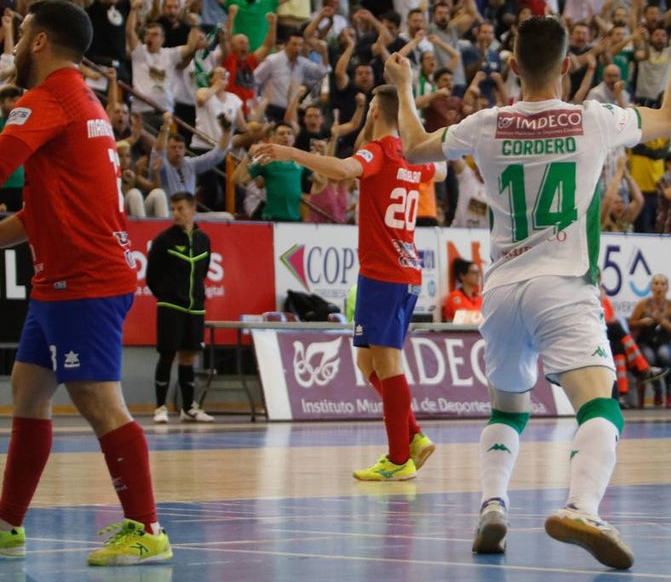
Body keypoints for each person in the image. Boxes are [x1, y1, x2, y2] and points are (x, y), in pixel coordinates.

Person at [390, 0, 671, 569]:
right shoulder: (594, 118)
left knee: (508, 408)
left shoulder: (488, 123)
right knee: (599, 404)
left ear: (513, 64)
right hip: (563, 283)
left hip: (502, 289)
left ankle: (492, 505)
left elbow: (413, 146)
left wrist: (406, 85)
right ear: (565, 67)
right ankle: (582, 506)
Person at [0, 0, 170, 564]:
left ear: (41, 42)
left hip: (85, 280)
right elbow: (38, 215)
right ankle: (7, 524)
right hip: (63, 281)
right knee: (29, 391)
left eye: (21, 36)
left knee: (98, 401)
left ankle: (147, 530)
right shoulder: (83, 101)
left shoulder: (46, 101)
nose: (16, 48)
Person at [252, 84, 443, 480]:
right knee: (367, 361)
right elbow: (440, 168)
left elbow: (341, 170)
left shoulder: (380, 152)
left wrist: (290, 153)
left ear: (374, 112)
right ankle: (414, 437)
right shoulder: (411, 155)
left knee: (387, 362)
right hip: (403, 268)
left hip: (385, 271)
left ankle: (397, 459)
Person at [145, 191, 215, 424]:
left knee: (188, 357)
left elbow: (203, 273)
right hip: (170, 306)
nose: (176, 213)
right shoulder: (163, 240)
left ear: (193, 209)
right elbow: (152, 277)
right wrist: (168, 295)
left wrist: (194, 296)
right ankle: (160, 407)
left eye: (181, 208)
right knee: (167, 355)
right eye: (173, 209)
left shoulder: (203, 240)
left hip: (195, 308)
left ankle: (188, 408)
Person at [628, 274, 671, 408]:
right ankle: (657, 389)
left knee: (664, 354)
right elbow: (631, 324)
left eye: (662, 283)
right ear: (651, 287)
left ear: (667, 287)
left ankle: (670, 391)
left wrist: (662, 322)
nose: (659, 286)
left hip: (664, 343)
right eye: (656, 283)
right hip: (646, 343)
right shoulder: (643, 304)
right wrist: (642, 322)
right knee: (649, 357)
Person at [443, 257, 483, 322]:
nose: (478, 275)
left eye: (478, 272)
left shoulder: (479, 299)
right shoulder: (455, 297)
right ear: (462, 276)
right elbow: (461, 319)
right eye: (474, 272)